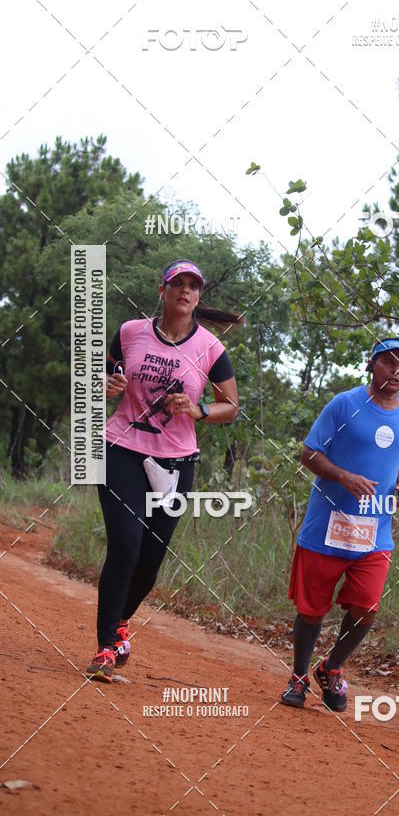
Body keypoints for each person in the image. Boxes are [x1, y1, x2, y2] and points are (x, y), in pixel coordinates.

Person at [87, 259, 240, 682]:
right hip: (122, 448)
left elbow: (231, 406)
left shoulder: (210, 347)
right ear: (163, 291)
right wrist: (105, 382)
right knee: (125, 545)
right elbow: (100, 373)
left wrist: (199, 409)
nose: (185, 291)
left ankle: (120, 622)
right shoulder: (131, 331)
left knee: (150, 563)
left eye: (193, 285)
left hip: (176, 461)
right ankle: (103, 647)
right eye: (178, 284)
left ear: (198, 296)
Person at [281, 338, 399, 711]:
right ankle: (298, 676)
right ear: (371, 364)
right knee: (312, 610)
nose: (397, 370)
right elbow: (308, 453)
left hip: (375, 533)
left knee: (367, 608)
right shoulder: (345, 404)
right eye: (389, 362)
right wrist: (343, 477)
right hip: (327, 524)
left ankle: (332, 668)